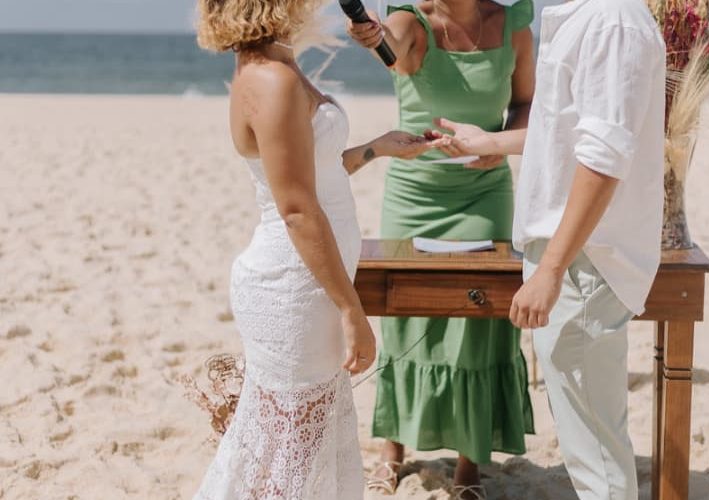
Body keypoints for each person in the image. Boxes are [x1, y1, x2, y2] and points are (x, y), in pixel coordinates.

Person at [191, 1, 437, 498]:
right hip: (293, 289)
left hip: (307, 282)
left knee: (295, 447)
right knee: (292, 452)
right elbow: (298, 208)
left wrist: (378, 148)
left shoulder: (275, 64)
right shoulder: (271, 79)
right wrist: (352, 308)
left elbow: (316, 171)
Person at [431, 0, 666, 498]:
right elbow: (569, 129)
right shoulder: (587, 16)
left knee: (596, 455)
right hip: (576, 258)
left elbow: (605, 156)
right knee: (591, 441)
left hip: (583, 262)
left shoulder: (611, 21)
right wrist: (491, 144)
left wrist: (553, 269)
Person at [347, 1, 536, 497]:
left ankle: (469, 466)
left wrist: (494, 142)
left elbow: (526, 103)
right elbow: (393, 46)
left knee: (478, 321)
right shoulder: (413, 20)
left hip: (485, 188)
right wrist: (373, 37)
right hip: (415, 194)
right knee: (406, 314)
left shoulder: (512, 23)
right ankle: (392, 451)